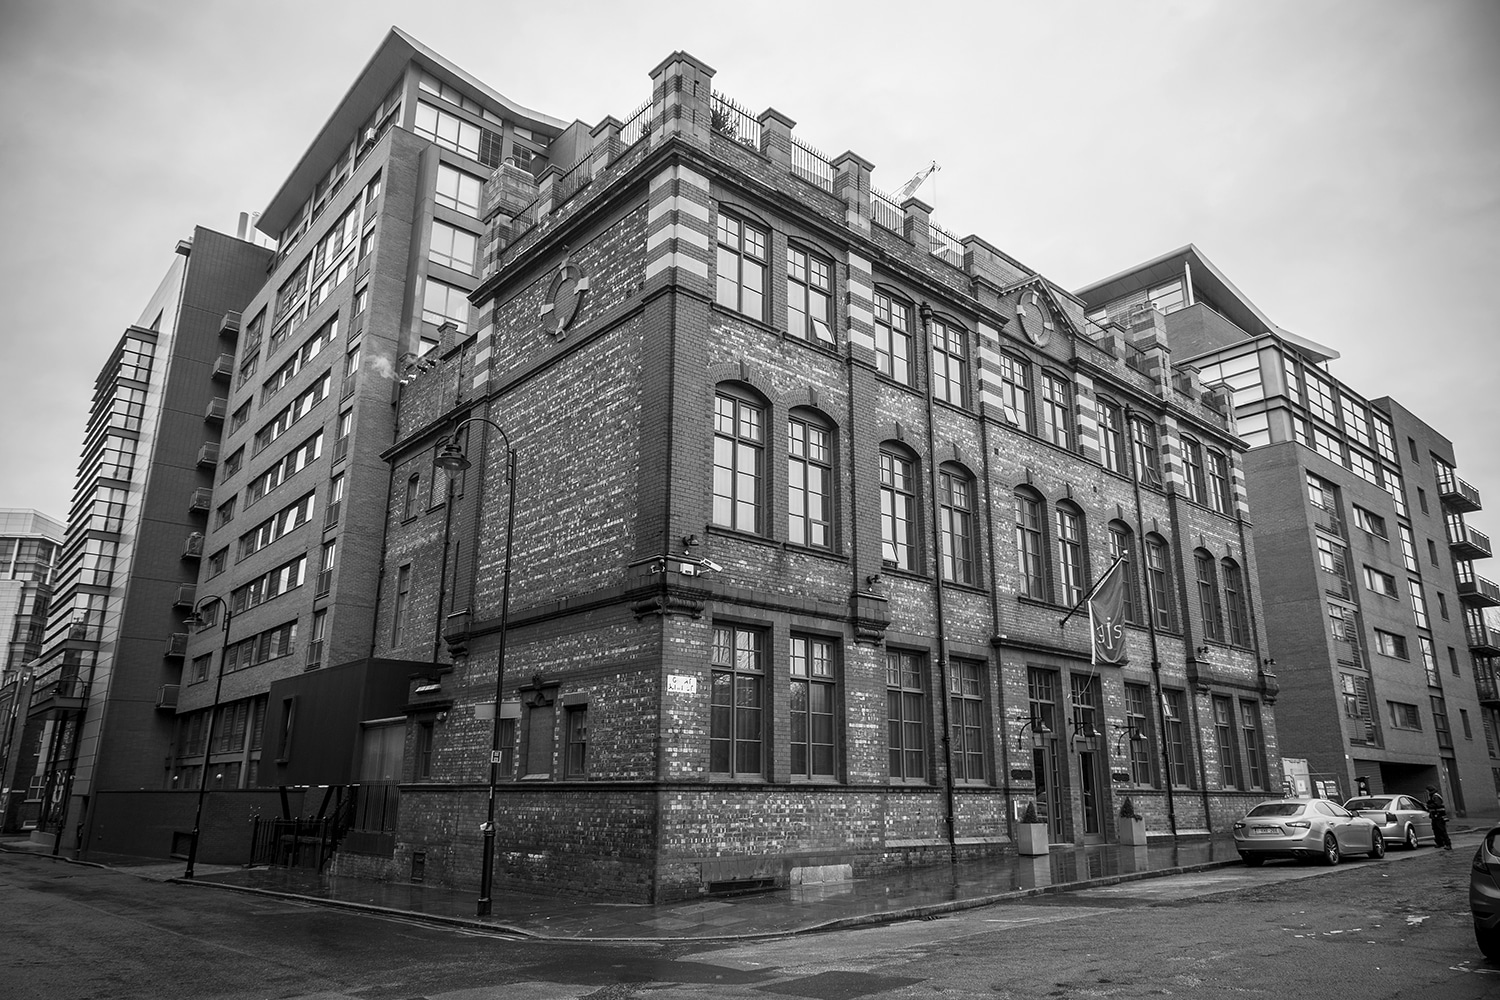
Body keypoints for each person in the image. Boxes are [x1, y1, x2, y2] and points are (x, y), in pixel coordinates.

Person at [1426, 785, 1452, 850]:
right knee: (1436, 830)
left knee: (1442, 830)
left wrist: (1429, 805)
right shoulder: (1432, 796)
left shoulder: (1436, 796)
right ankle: (1440, 843)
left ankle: (1448, 844)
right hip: (1434, 816)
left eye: (1427, 791)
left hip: (1439, 816)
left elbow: (1437, 804)